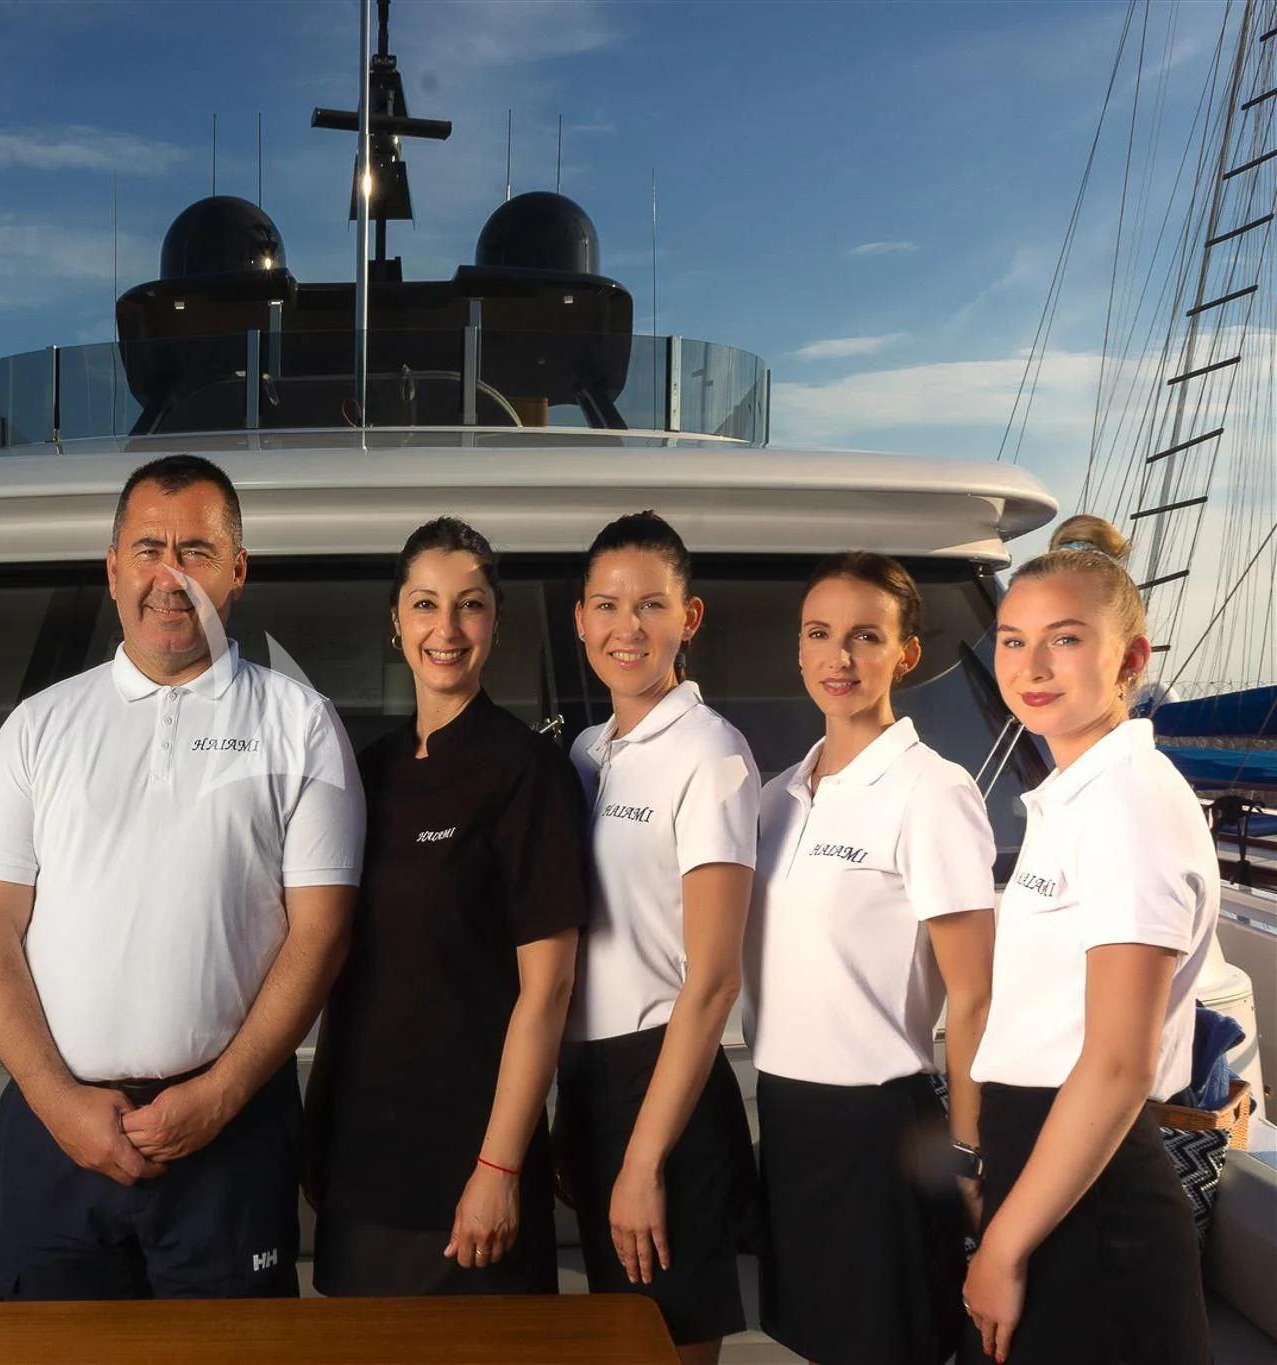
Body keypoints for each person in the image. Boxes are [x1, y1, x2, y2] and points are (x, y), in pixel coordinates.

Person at [0, 453, 364, 1300]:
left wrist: (218, 1096)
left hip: (234, 1133)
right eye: (148, 549)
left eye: (197, 551)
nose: (169, 576)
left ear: (239, 570)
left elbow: (321, 933)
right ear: (112, 569)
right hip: (53, 1132)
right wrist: (57, 1099)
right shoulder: (38, 727)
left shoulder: (301, 722)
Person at [304, 517, 585, 1296]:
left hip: (470, 1169)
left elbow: (549, 990)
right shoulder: (365, 773)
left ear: (495, 621)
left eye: (469, 605)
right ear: (396, 623)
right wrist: (318, 1135)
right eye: (425, 605)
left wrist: (497, 1167)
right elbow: (343, 975)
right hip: (360, 1165)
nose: (447, 628)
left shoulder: (528, 772)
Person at [962, 515, 1217, 1365]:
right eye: (1011, 640)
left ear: (1131, 660)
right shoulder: (1077, 790)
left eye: (1064, 640)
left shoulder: (1129, 803)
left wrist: (1001, 1247)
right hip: (1050, 1174)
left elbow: (1117, 1064)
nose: (1030, 667)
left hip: (1097, 1202)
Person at [742, 552, 995, 1365]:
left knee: (891, 1345)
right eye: (820, 634)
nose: (838, 657)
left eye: (864, 636)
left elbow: (977, 994)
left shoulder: (933, 790)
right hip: (785, 1112)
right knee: (814, 1342)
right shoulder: (776, 796)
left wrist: (966, 1153)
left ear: (906, 654)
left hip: (881, 1127)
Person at [551, 510, 758, 1365]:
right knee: (617, 1338)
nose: (624, 628)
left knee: (665, 1351)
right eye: (605, 605)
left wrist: (642, 1160)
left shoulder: (710, 753)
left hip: (663, 1089)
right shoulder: (587, 752)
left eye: (649, 606)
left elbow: (712, 982)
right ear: (579, 619)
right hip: (591, 1080)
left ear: (689, 618)